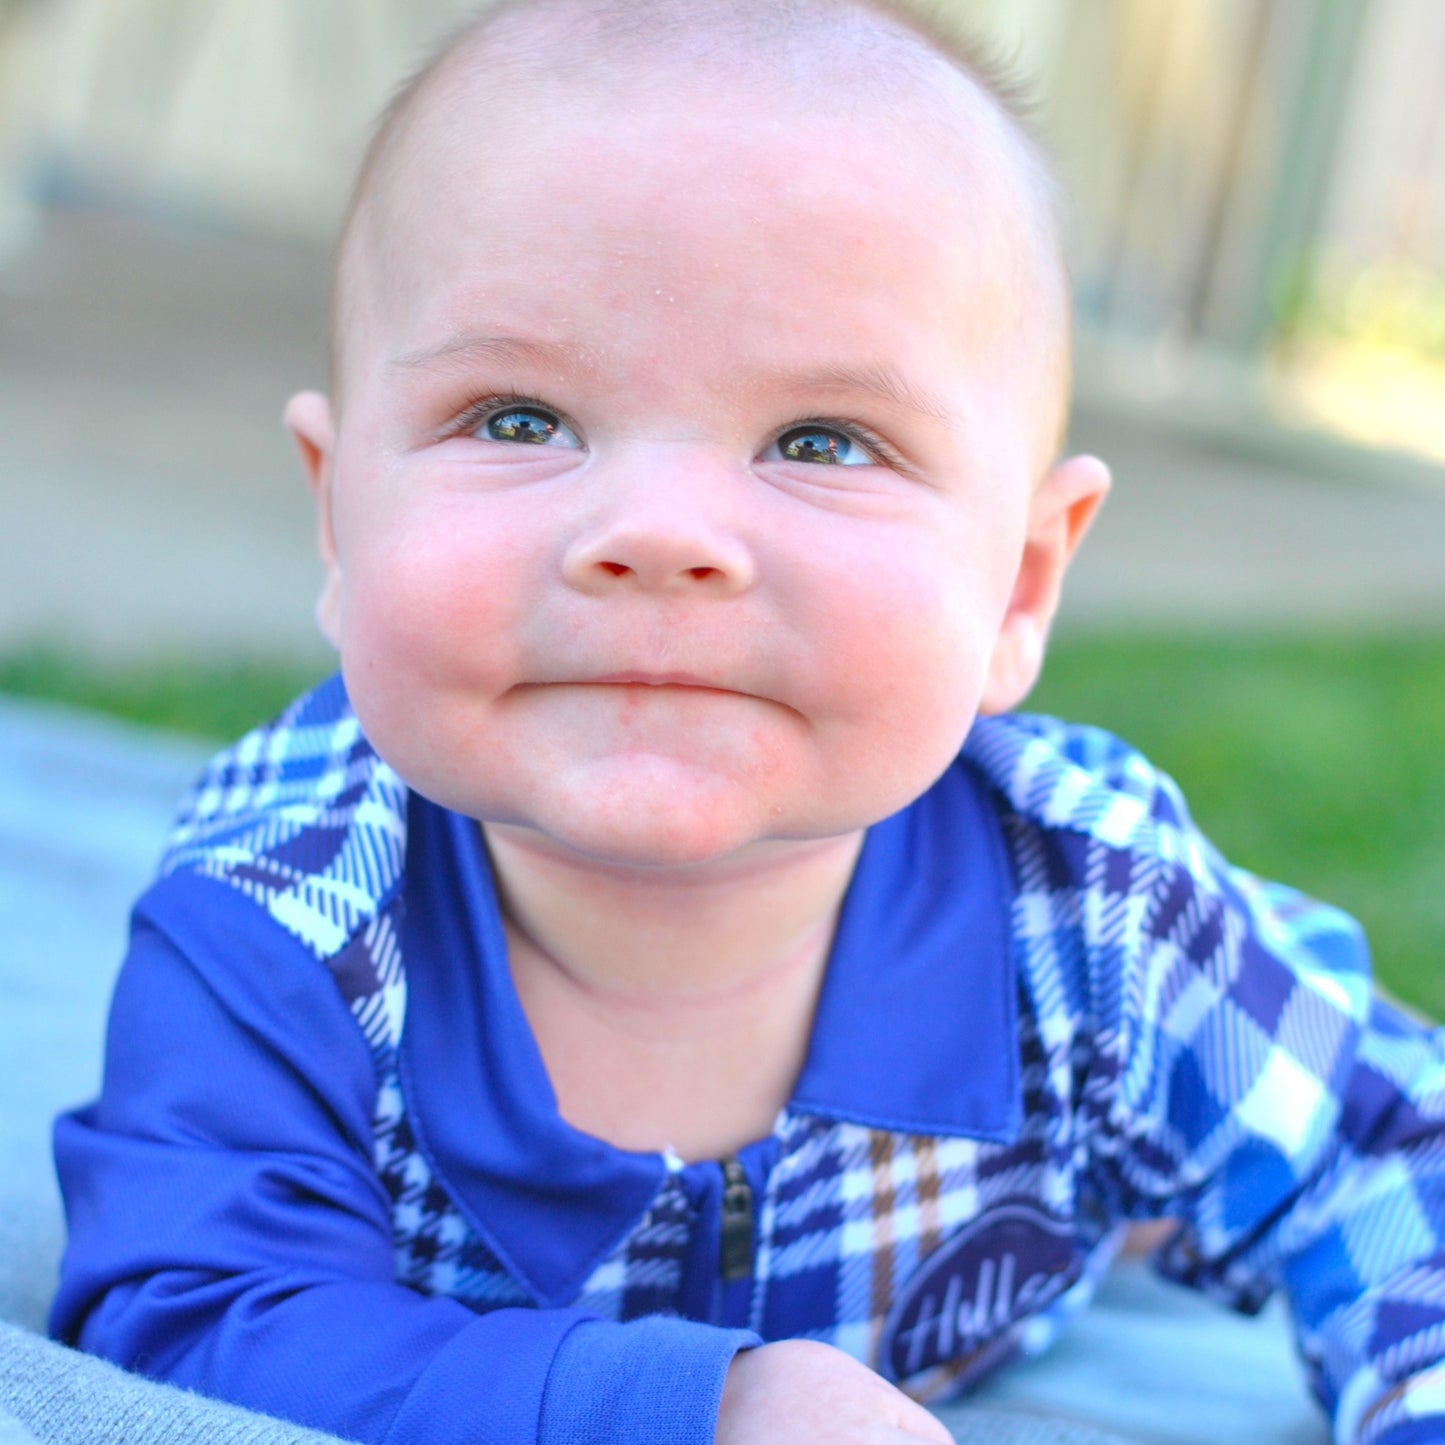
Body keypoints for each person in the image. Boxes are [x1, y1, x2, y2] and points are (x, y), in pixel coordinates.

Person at [48, 1, 1445, 1442]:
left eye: (822, 441)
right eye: (518, 417)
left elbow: (1397, 1152)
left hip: (1038, 1142)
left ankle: (1141, 1186)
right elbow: (192, 1316)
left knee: (1229, 1105)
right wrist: (690, 1410)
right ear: (337, 521)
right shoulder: (281, 929)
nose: (658, 535)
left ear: (1018, 584)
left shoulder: (1095, 919)